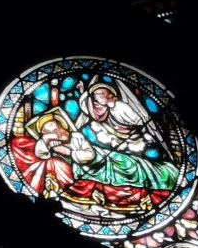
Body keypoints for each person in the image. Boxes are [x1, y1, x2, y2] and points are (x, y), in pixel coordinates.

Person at [74, 81, 180, 210]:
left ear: (109, 95)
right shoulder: (102, 111)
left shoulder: (121, 107)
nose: (96, 98)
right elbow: (88, 108)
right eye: (95, 96)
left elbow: (141, 123)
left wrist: (146, 137)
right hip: (115, 141)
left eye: (99, 95)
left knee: (133, 163)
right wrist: (83, 92)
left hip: (134, 141)